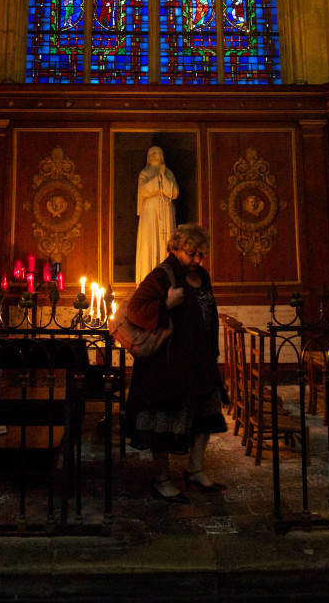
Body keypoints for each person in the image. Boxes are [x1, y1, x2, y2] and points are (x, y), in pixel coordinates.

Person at [125, 222, 228, 502]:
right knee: (165, 420)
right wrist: (166, 305)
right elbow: (134, 309)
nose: (196, 260)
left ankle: (195, 468)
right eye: (190, 254)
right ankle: (162, 477)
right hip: (168, 364)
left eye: (200, 255)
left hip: (200, 359)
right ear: (175, 249)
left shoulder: (201, 276)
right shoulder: (162, 275)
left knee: (207, 412)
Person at [135, 146, 179, 284]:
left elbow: (174, 192)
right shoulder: (144, 173)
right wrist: (157, 180)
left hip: (165, 210)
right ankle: (147, 280)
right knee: (149, 242)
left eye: (157, 153)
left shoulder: (168, 173)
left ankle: (167, 280)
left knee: (166, 243)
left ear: (162, 156)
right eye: (151, 153)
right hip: (150, 213)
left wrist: (163, 178)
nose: (153, 155)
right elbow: (144, 190)